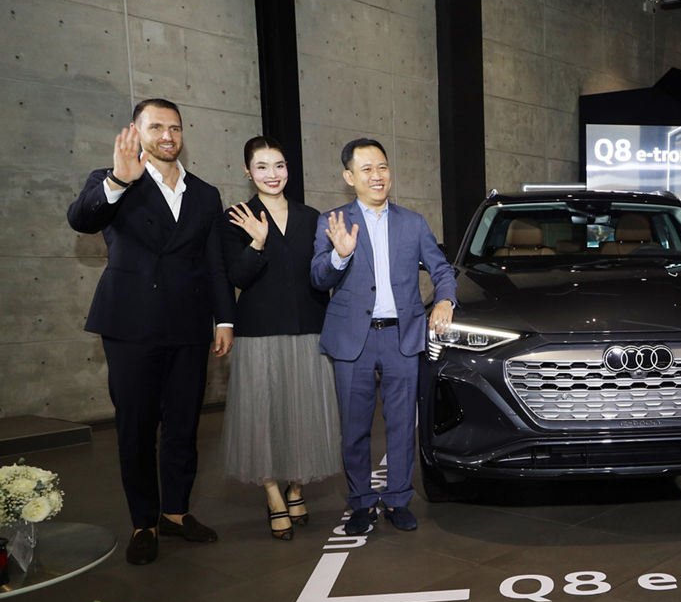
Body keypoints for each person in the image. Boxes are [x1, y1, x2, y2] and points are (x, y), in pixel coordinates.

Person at [67, 98, 234, 565]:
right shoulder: (113, 178)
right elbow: (81, 218)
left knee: (183, 425)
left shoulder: (205, 193)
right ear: (136, 132)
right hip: (130, 323)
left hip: (189, 324)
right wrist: (119, 181)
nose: (167, 136)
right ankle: (144, 522)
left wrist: (224, 319)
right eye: (156, 127)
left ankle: (176, 514)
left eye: (175, 128)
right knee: (136, 428)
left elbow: (214, 263)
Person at [311, 138, 457, 536]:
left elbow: (442, 269)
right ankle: (361, 502)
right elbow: (318, 277)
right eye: (367, 169)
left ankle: (397, 500)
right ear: (349, 177)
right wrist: (340, 255)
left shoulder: (413, 222)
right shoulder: (332, 222)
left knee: (401, 425)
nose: (377, 176)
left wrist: (445, 300)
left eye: (382, 167)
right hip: (352, 340)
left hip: (401, 338)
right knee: (354, 426)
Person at [221, 136, 342, 540]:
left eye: (279, 165)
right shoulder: (236, 217)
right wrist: (257, 242)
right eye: (262, 167)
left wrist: (341, 256)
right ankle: (273, 495)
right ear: (247, 171)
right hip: (259, 331)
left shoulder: (312, 218)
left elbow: (321, 274)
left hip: (310, 327)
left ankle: (296, 490)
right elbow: (236, 277)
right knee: (263, 416)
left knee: (304, 413)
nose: (272, 174)